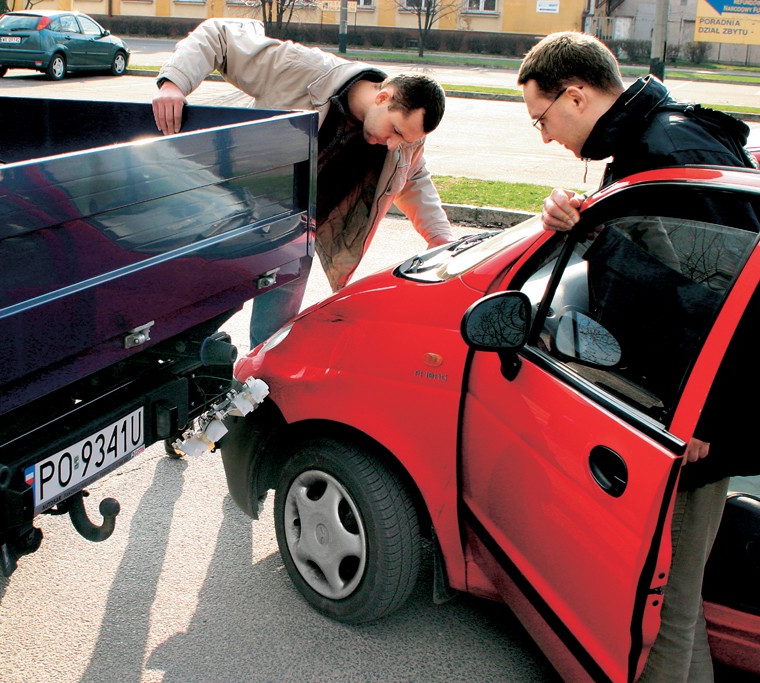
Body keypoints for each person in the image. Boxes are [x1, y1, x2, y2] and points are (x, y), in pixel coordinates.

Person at [517, 31, 758, 682]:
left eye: (543, 118)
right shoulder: (647, 144)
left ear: (576, 93)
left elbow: (737, 294)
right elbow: (663, 266)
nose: (544, 136)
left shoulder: (665, 147)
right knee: (681, 606)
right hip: (683, 408)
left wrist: (707, 416)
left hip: (695, 421)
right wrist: (590, 221)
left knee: (668, 611)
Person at [152, 19, 454, 347]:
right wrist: (174, 83)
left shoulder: (403, 139)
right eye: (395, 131)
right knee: (198, 322)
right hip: (238, 222)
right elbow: (220, 36)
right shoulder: (302, 70)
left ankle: (255, 393)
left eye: (404, 139)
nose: (394, 144)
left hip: (297, 237)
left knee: (272, 342)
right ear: (383, 97)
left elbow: (414, 177)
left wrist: (439, 236)